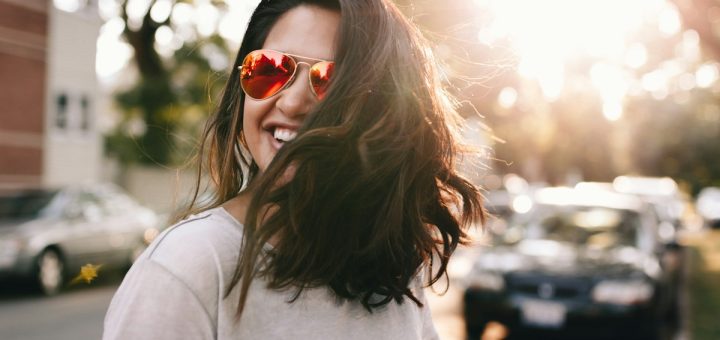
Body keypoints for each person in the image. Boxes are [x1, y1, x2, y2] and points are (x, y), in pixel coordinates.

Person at [103, 0, 484, 339]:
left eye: (332, 80)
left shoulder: (393, 268)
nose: (292, 101)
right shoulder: (187, 267)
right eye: (269, 69)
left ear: (385, 113)